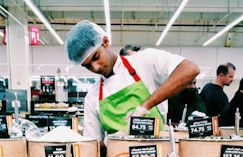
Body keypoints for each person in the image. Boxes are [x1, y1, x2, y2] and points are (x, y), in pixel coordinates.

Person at [65, 20, 200, 148]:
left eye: (96, 57)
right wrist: (108, 141)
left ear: (105, 42)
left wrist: (144, 106)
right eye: (87, 66)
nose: (95, 68)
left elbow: (190, 69)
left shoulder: (144, 62)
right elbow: (93, 149)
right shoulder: (92, 98)